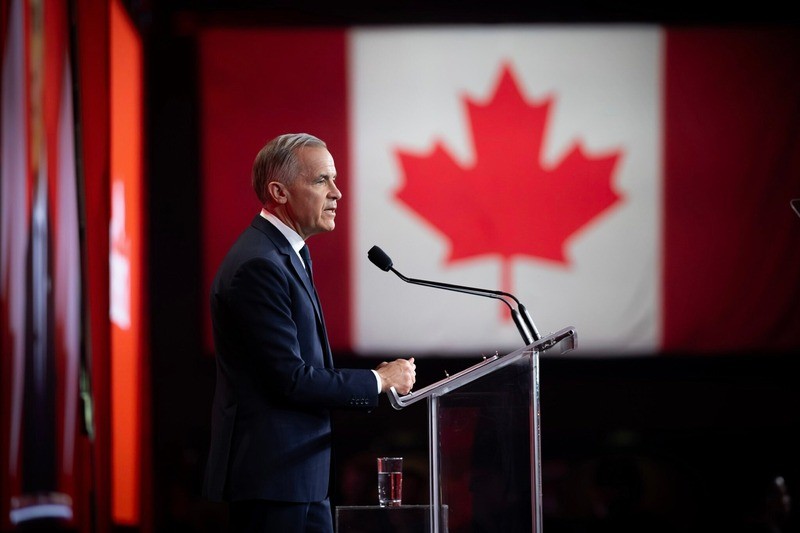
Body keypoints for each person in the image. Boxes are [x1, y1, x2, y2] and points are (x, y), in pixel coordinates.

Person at [202, 133, 417, 532]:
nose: (337, 192)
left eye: (334, 179)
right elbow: (291, 380)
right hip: (273, 482)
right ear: (279, 192)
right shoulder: (259, 265)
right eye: (321, 180)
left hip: (299, 478)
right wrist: (378, 380)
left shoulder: (286, 254)